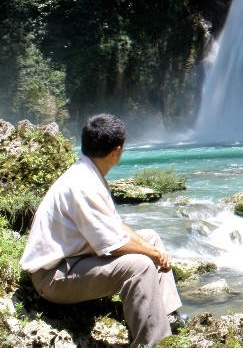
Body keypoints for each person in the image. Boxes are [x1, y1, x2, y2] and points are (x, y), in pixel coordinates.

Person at [20, 113, 186, 347]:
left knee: (151, 238)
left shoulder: (88, 173)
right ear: (116, 151)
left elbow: (115, 226)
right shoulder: (84, 184)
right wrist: (153, 255)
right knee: (140, 266)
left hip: (74, 259)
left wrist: (151, 248)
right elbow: (113, 244)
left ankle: (167, 315)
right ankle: (154, 341)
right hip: (53, 277)